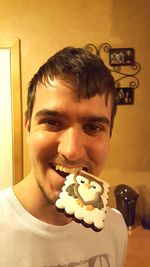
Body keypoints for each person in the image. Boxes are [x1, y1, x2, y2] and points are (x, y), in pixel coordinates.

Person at [0, 47, 128, 267]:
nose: (71, 151)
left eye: (93, 127)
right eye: (52, 122)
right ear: (28, 126)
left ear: (109, 136)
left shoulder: (114, 227)